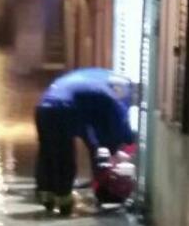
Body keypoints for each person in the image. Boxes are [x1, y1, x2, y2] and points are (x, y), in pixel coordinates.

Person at [34, 68, 136, 214]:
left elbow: (89, 134)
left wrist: (98, 148)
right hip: (63, 108)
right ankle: (65, 204)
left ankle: (46, 196)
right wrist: (116, 151)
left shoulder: (95, 82)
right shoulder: (113, 97)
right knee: (65, 156)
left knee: (47, 151)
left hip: (43, 107)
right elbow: (119, 124)